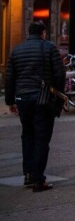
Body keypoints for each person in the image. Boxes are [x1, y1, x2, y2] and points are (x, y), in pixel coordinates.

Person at [4, 21, 65, 192]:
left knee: (27, 135)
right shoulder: (49, 48)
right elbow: (60, 73)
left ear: (28, 33)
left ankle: (28, 174)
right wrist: (58, 98)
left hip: (22, 98)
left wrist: (10, 101)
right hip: (42, 97)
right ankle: (38, 179)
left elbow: (9, 78)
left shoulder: (16, 51)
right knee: (42, 138)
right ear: (43, 33)